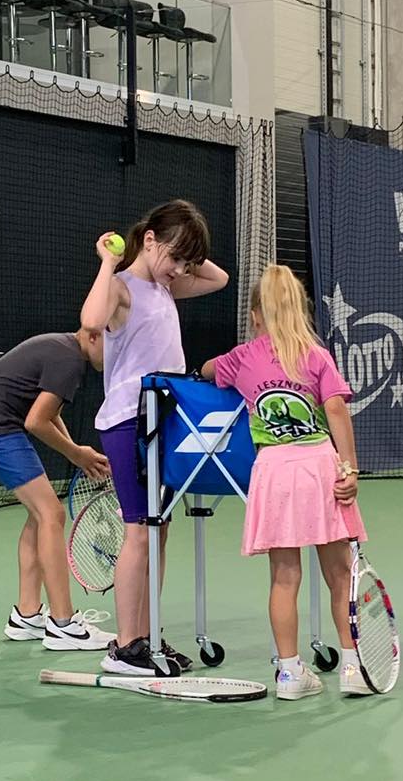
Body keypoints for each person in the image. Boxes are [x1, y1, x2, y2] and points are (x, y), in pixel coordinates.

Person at [201, 264, 371, 699]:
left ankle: (290, 674)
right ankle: (353, 668)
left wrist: (226, 365)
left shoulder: (242, 358)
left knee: (283, 576)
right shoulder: (317, 356)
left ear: (255, 315)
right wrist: (350, 469)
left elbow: (207, 369)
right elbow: (336, 410)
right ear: (300, 309)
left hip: (273, 473)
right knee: (340, 574)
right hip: (319, 469)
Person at [81, 200, 229, 676]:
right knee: (138, 532)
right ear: (149, 241)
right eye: (176, 257)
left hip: (164, 420)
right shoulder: (122, 288)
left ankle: (148, 636)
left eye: (187, 261)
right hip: (128, 422)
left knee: (158, 531)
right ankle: (126, 647)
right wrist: (109, 262)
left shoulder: (167, 285)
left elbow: (218, 278)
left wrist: (180, 252)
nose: (182, 270)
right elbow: (91, 321)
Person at [0, 328, 115, 651]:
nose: (113, 354)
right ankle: (64, 624)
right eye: (112, 345)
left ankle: (27, 616)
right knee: (51, 515)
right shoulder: (69, 360)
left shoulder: (63, 348)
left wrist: (76, 452)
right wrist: (77, 454)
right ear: (94, 336)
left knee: (39, 516)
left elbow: (49, 413)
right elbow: (36, 422)